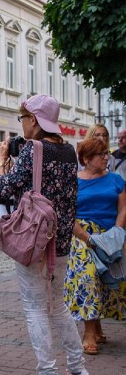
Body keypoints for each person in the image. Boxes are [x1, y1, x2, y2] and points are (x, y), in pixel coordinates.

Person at [0, 94, 95, 375]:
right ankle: (78, 372)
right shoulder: (68, 151)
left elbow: (3, 189)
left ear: (33, 119)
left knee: (35, 308)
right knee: (57, 305)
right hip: (61, 240)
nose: (22, 124)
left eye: (23, 118)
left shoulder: (33, 149)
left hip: (35, 240)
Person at [64, 137, 126, 355]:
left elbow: (123, 209)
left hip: (111, 235)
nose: (106, 157)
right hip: (82, 236)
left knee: (113, 281)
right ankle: (89, 332)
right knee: (88, 276)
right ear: (86, 158)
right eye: (101, 154)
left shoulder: (116, 180)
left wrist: (116, 233)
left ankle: (97, 326)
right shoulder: (74, 181)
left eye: (106, 153)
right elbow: (67, 214)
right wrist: (88, 239)